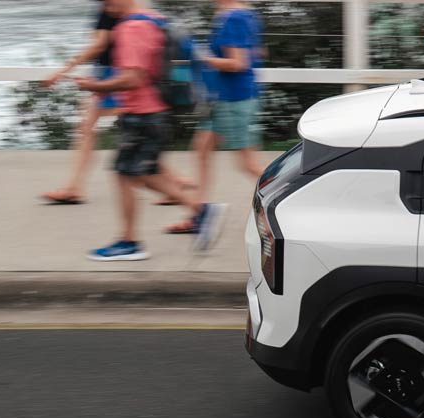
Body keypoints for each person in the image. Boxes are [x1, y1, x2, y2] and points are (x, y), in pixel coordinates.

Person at [75, 0, 225, 261]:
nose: (104, 4)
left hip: (141, 115)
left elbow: (134, 77)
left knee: (132, 175)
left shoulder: (131, 28)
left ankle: (135, 239)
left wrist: (95, 86)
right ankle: (187, 216)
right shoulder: (153, 19)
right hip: (152, 112)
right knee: (137, 174)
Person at [171, 0, 263, 234]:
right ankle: (198, 214)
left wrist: (201, 56)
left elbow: (238, 63)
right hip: (225, 98)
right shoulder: (240, 14)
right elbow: (259, 52)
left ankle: (295, 199)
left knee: (247, 164)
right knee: (201, 148)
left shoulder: (235, 18)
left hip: (235, 100)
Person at [37, 1, 122, 205]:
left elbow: (100, 44)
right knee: (87, 128)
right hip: (107, 72)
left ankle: (174, 184)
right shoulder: (111, 7)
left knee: (135, 129)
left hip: (114, 75)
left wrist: (63, 70)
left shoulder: (110, 7)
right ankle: (74, 187)